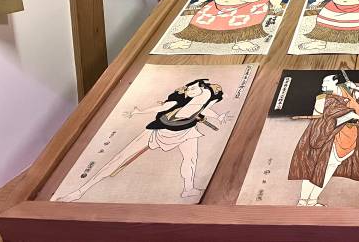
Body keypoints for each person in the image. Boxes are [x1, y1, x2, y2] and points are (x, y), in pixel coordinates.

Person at [56, 79, 231, 202]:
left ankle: (188, 189)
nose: (189, 90)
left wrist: (218, 117)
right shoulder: (182, 97)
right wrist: (139, 112)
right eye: (189, 88)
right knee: (121, 157)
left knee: (191, 159)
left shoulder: (208, 95)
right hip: (161, 129)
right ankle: (80, 191)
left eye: (192, 88)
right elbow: (165, 106)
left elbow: (203, 109)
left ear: (203, 88)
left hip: (186, 130)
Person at [288, 73, 359, 207]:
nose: (322, 85)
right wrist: (356, 117)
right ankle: (302, 202)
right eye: (322, 82)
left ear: (335, 82)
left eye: (326, 82)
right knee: (315, 169)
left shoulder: (349, 89)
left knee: (327, 172)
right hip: (328, 138)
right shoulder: (323, 98)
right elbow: (329, 116)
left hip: (350, 138)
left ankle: (312, 200)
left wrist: (357, 88)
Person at [165, 0, 283, 53]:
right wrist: (200, 1)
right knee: (200, 19)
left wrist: (276, 4)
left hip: (246, 8)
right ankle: (185, 41)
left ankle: (241, 42)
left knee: (243, 24)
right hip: (218, 7)